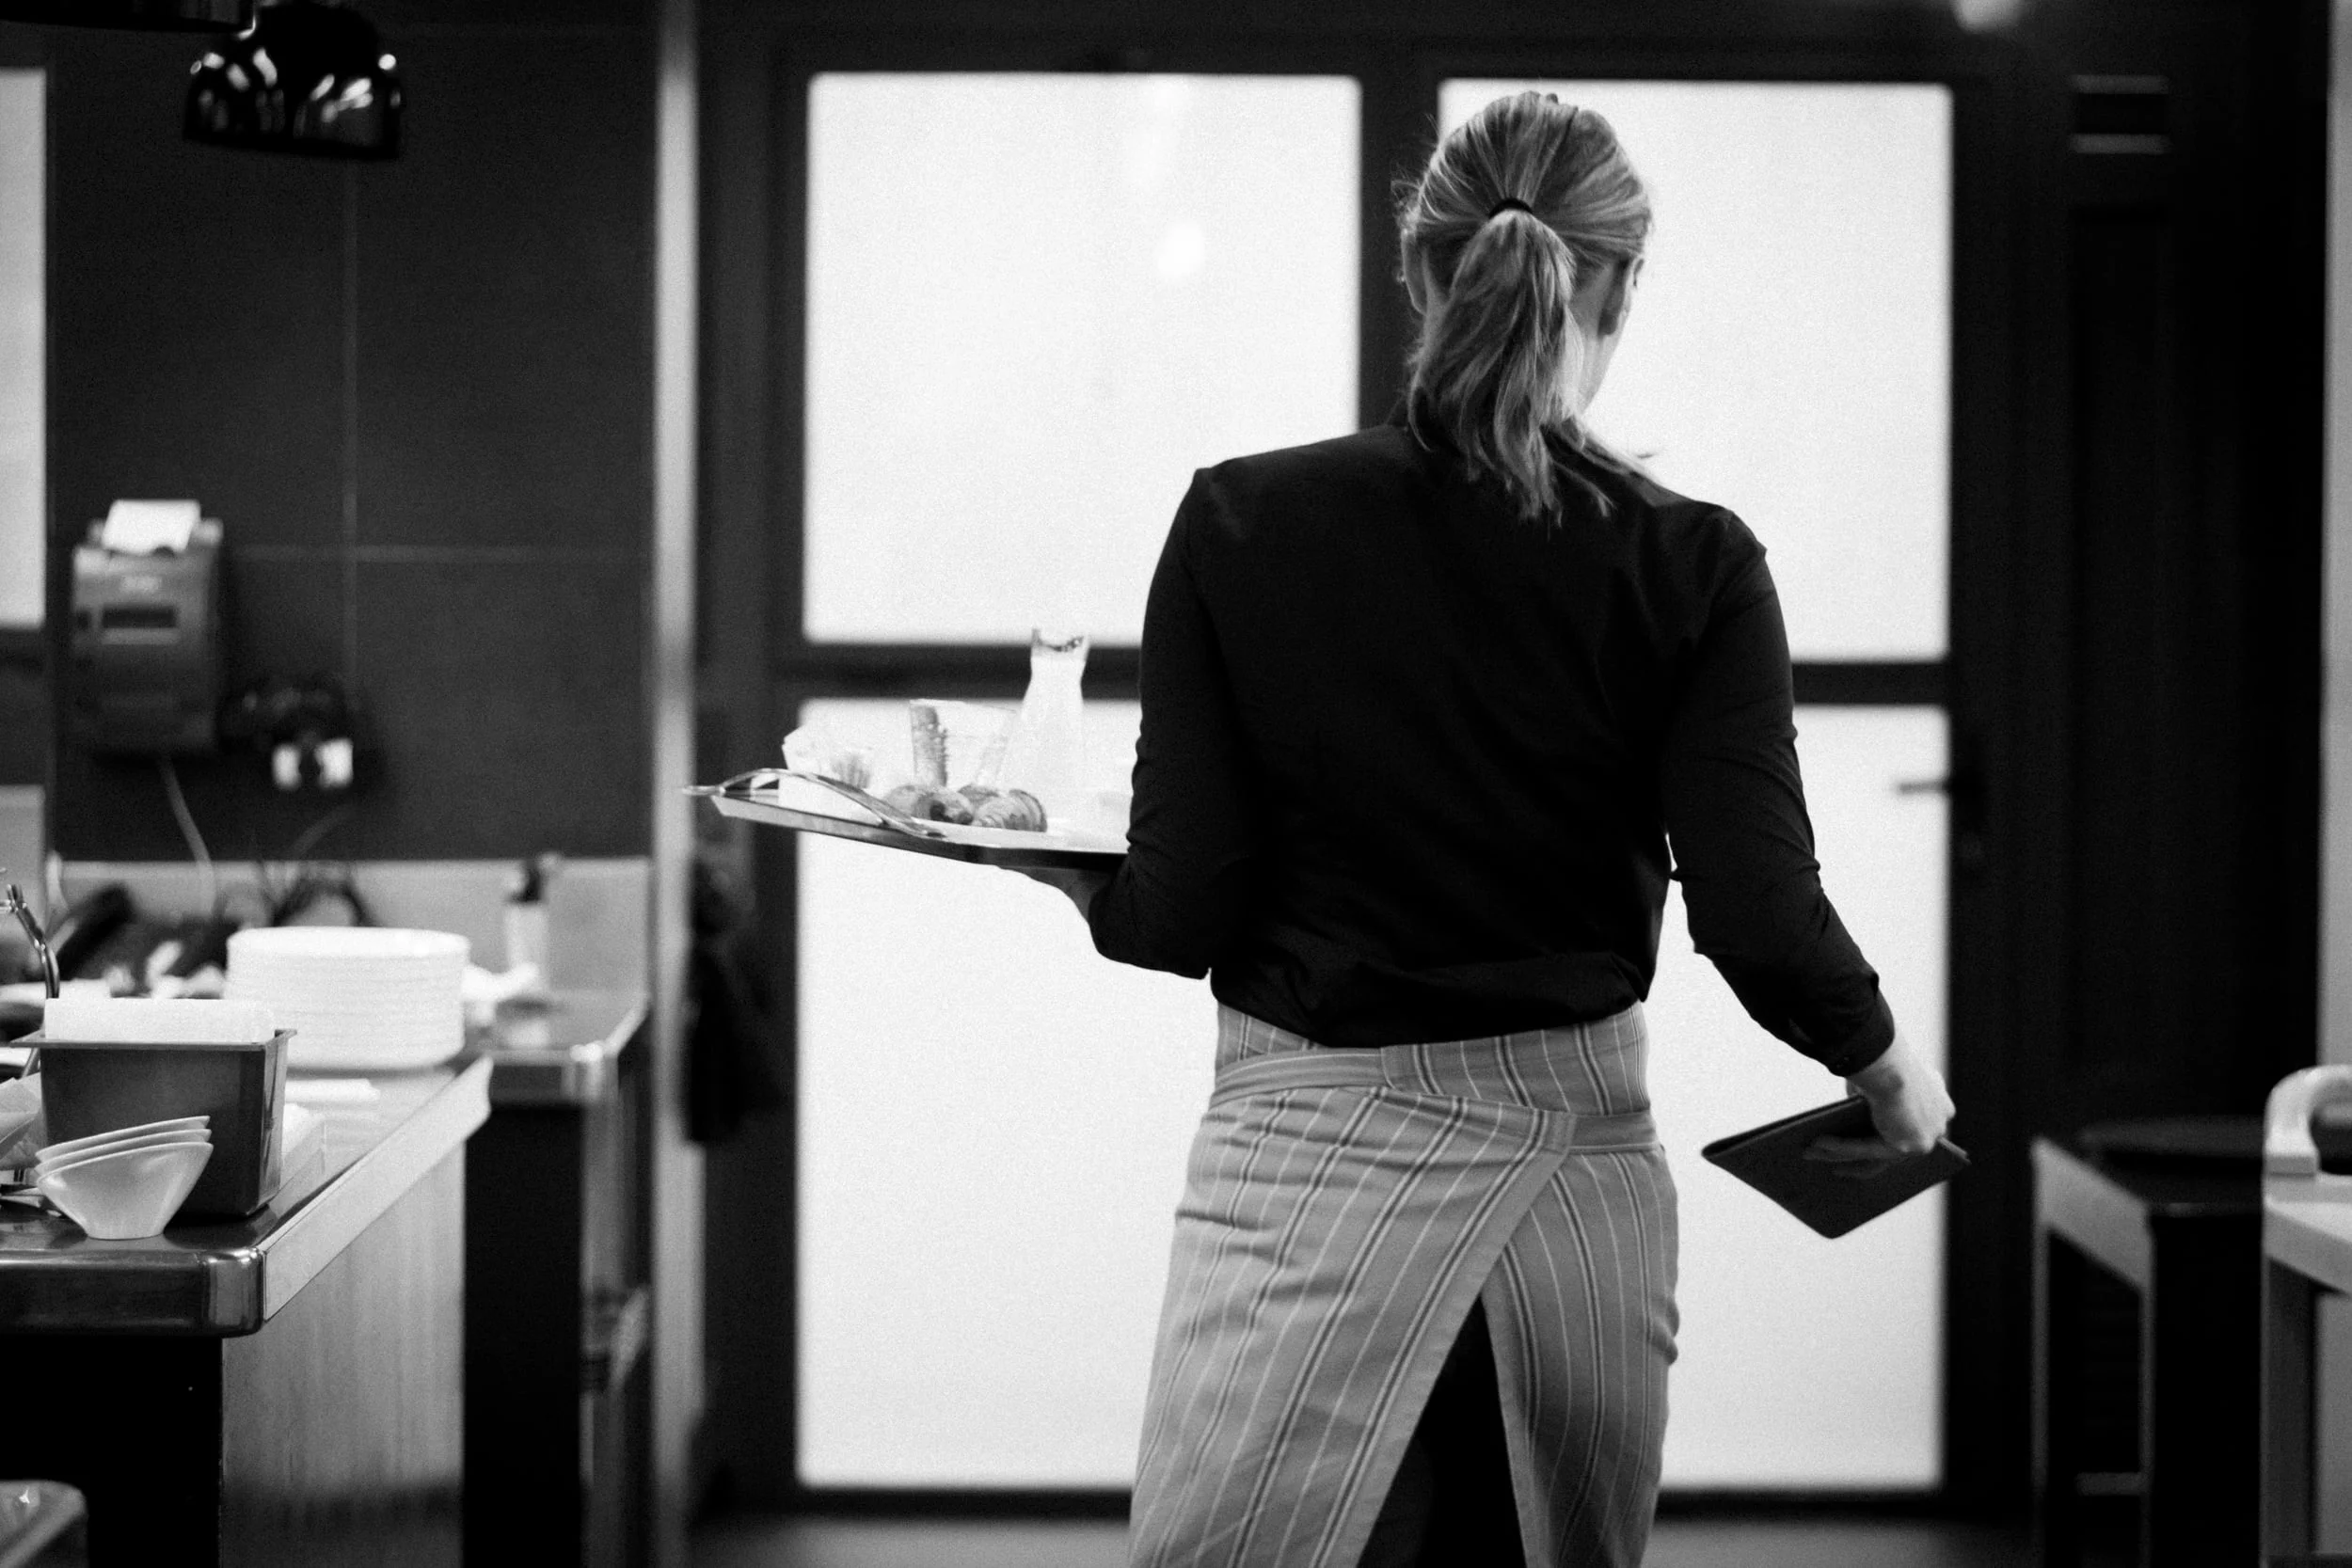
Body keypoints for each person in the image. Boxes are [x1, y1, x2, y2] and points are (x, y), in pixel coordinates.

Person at [1024, 89, 1955, 1568]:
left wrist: (1063, 871)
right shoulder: (1695, 564)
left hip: (1301, 1211)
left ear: (1419, 273)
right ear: (1622, 288)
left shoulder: (1238, 525)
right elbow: (1759, 912)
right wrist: (1882, 1061)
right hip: (1568, 1225)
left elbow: (1182, 909)